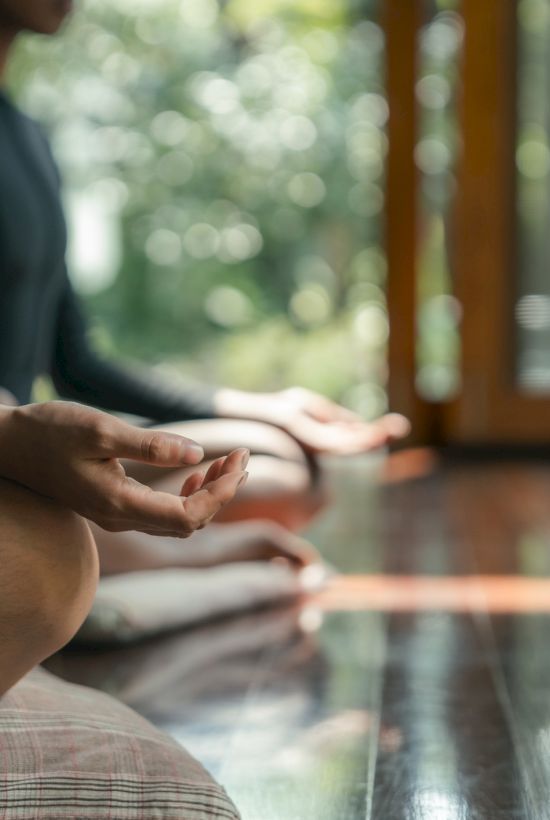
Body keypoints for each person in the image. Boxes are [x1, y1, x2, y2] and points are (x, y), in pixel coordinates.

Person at [0, 0, 409, 580]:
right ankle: (150, 557)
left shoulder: (28, 138)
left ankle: (121, 554)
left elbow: (76, 363)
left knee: (283, 459)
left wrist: (268, 407)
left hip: (24, 452)